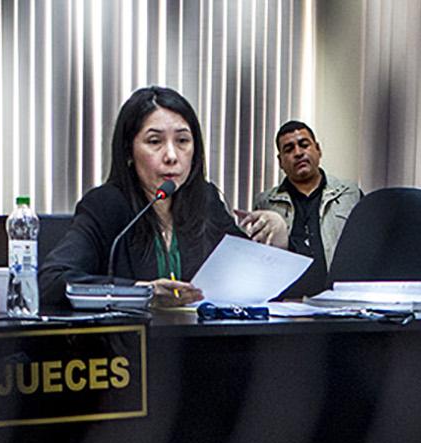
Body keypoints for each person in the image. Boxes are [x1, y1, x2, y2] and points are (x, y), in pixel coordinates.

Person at [39, 86, 247, 309]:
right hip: (134, 340)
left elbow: (255, 272)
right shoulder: (107, 205)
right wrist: (140, 292)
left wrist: (278, 238)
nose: (171, 156)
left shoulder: (205, 200)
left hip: (200, 341)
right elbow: (51, 281)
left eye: (183, 141)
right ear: (129, 151)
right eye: (155, 142)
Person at [239, 120, 363, 298]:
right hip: (287, 303)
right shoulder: (265, 203)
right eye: (289, 149)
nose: (298, 153)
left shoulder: (349, 194)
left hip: (338, 301)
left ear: (318, 150)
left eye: (304, 145)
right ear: (280, 161)